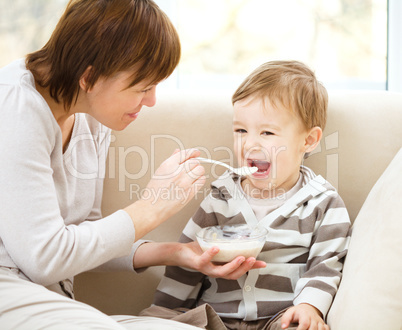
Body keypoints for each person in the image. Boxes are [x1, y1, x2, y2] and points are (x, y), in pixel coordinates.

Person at [0, 0, 264, 329]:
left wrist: (176, 253)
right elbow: (46, 257)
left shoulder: (90, 114)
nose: (151, 100)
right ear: (89, 77)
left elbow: (85, 239)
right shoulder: (14, 109)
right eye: (142, 87)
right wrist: (151, 207)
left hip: (49, 300)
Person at [141, 61, 352, 330]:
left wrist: (309, 307)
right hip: (214, 319)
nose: (249, 143)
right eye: (241, 131)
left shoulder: (323, 203)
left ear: (308, 140)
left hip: (280, 319)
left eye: (267, 132)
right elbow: (187, 263)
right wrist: (163, 311)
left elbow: (326, 266)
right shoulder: (221, 197)